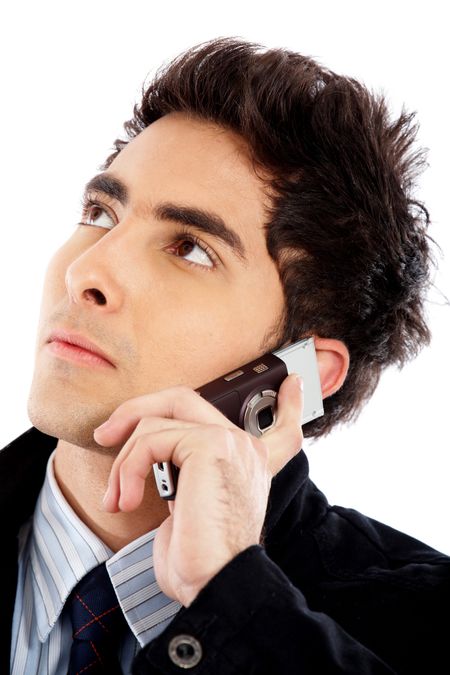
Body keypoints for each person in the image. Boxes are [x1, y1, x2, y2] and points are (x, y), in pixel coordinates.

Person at [2, 36, 449, 674]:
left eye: (189, 247)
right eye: (101, 213)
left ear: (302, 376)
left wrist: (233, 597)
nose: (86, 272)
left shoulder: (424, 622)